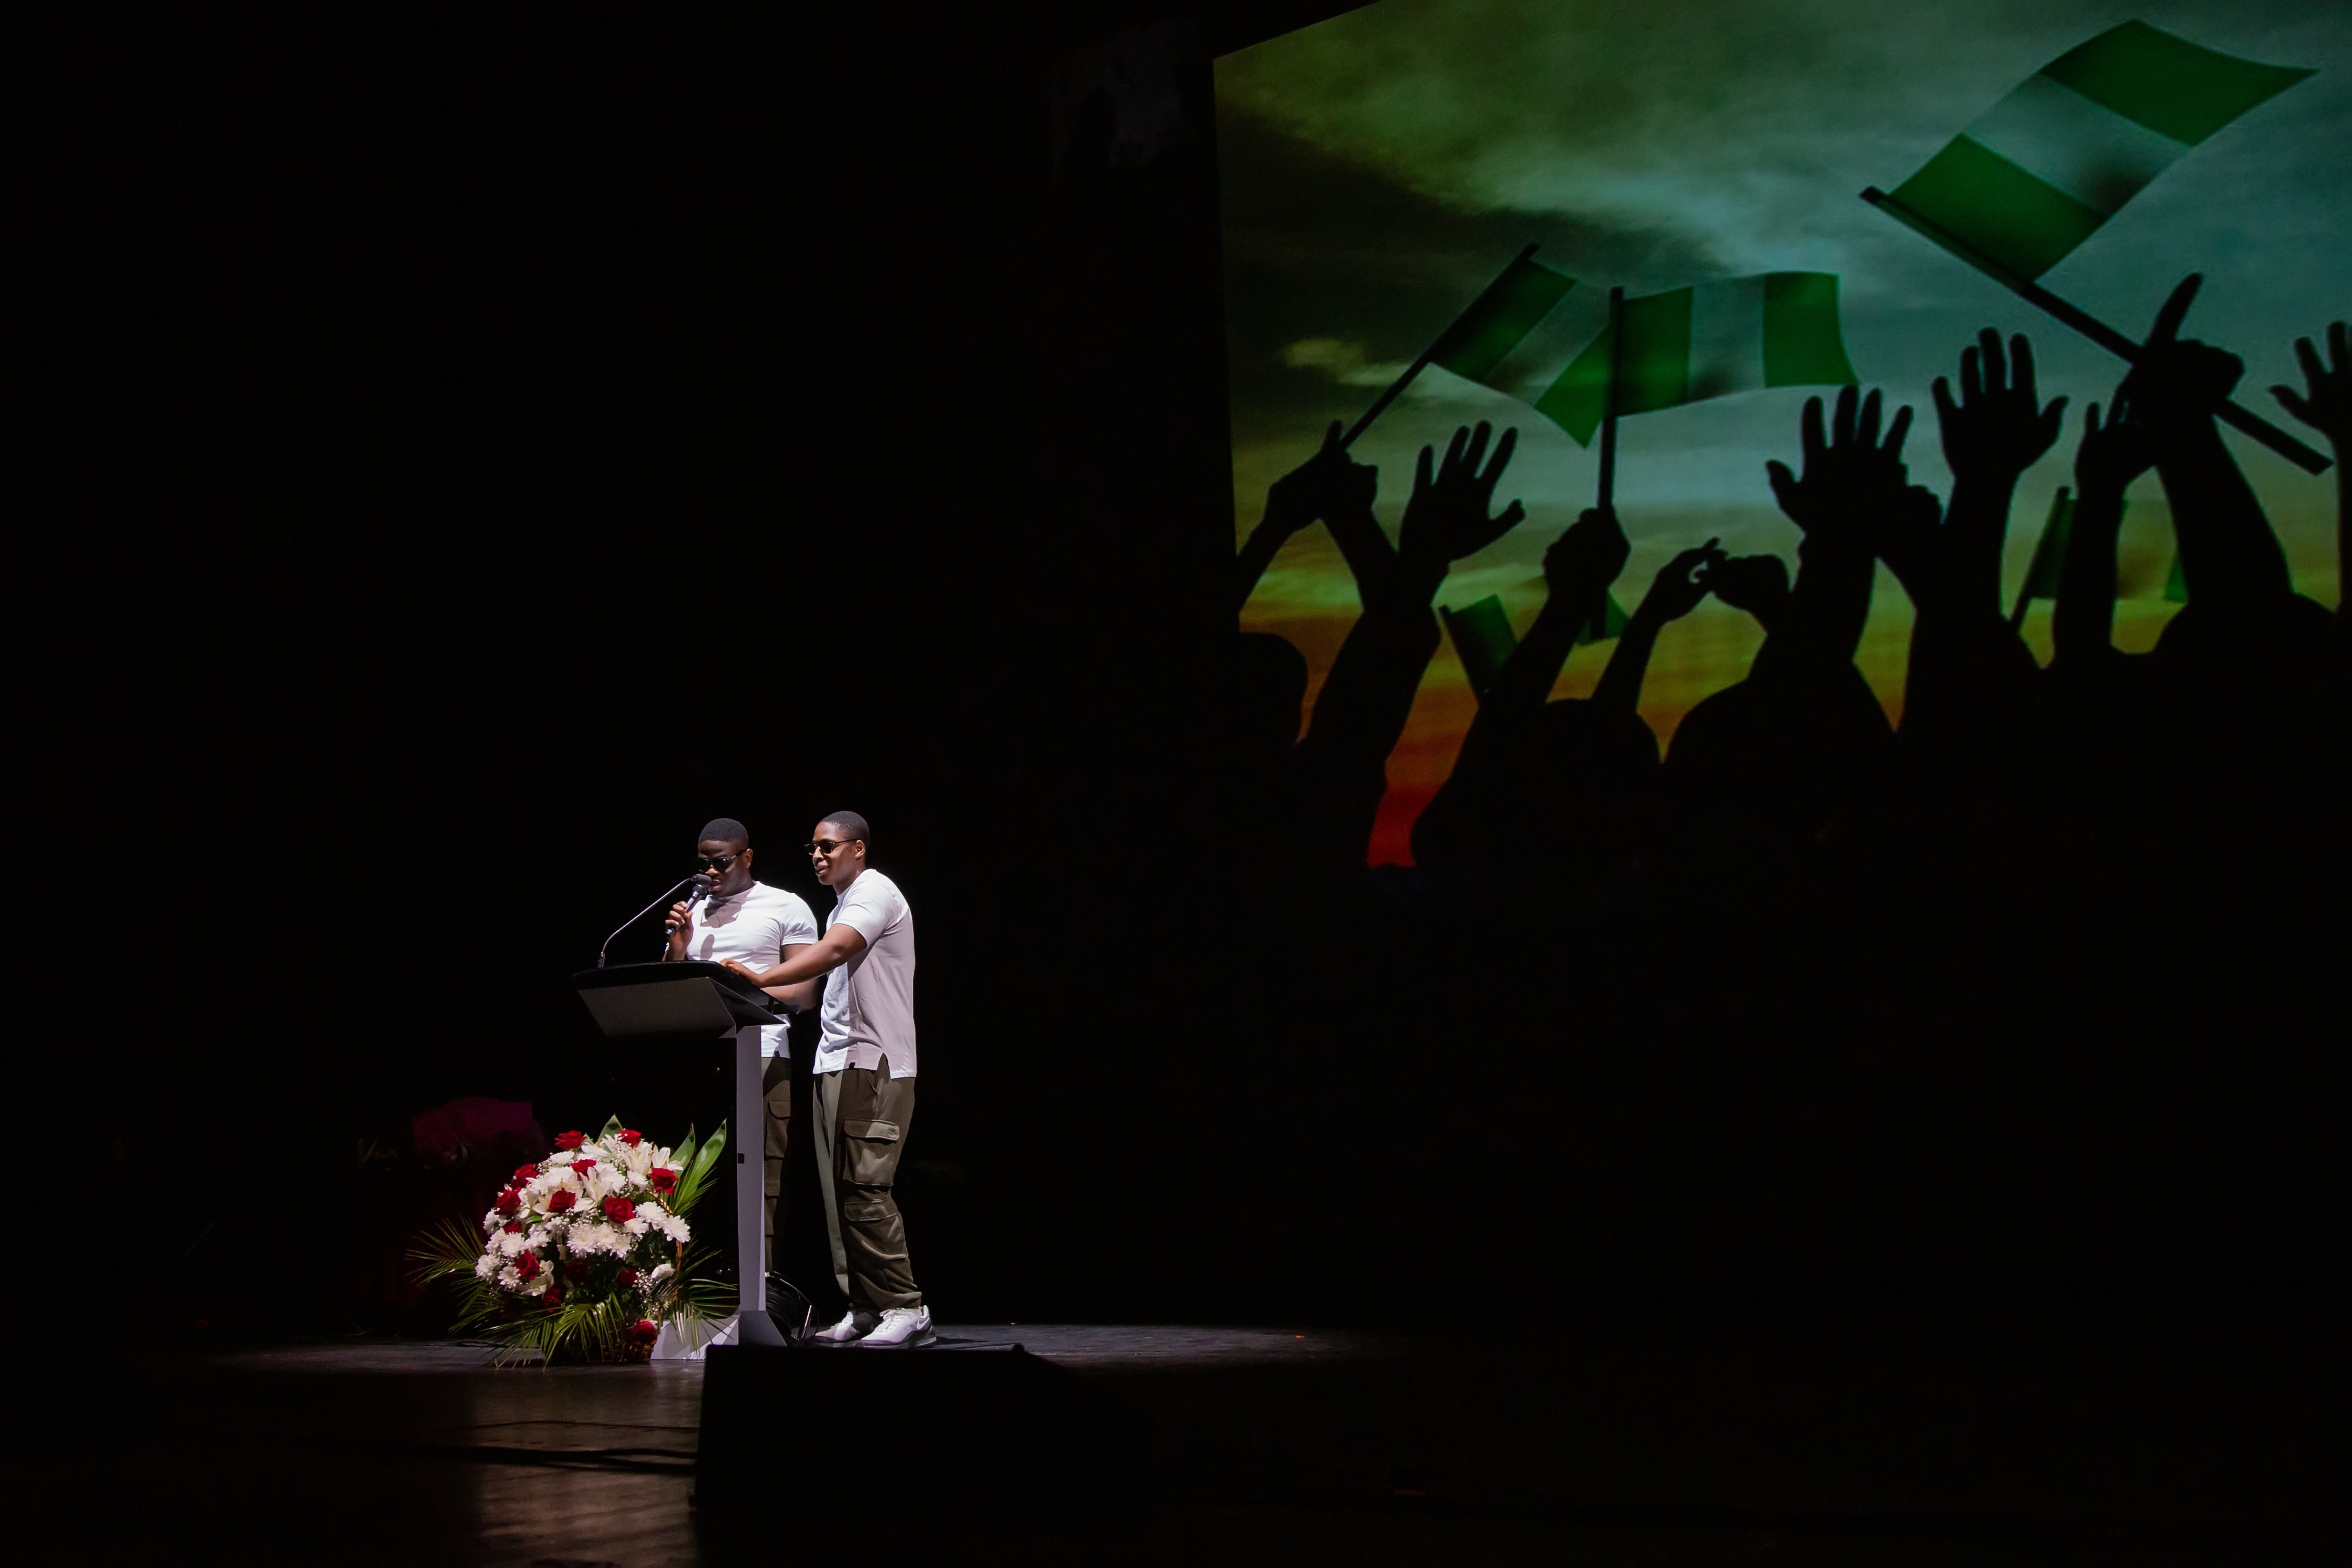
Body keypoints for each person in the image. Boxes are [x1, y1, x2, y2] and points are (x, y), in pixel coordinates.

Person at [725, 812, 928, 1347]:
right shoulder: (842, 903)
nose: (817, 856)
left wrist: (762, 978)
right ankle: (866, 1307)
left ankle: (905, 1306)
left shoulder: (874, 892)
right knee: (838, 1197)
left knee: (865, 1189)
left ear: (858, 848)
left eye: (828, 846)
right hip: (836, 1061)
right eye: (812, 848)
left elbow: (835, 950)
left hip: (873, 1063)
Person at [658, 817, 821, 1274]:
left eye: (722, 862)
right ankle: (687, 1286)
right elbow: (673, 995)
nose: (712, 872)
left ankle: (761, 1286)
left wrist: (749, 988)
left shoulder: (785, 906)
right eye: (704, 864)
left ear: (747, 857)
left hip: (762, 1056)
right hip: (702, 1059)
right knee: (691, 1175)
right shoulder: (693, 912)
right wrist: (677, 949)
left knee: (762, 1176)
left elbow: (805, 995)